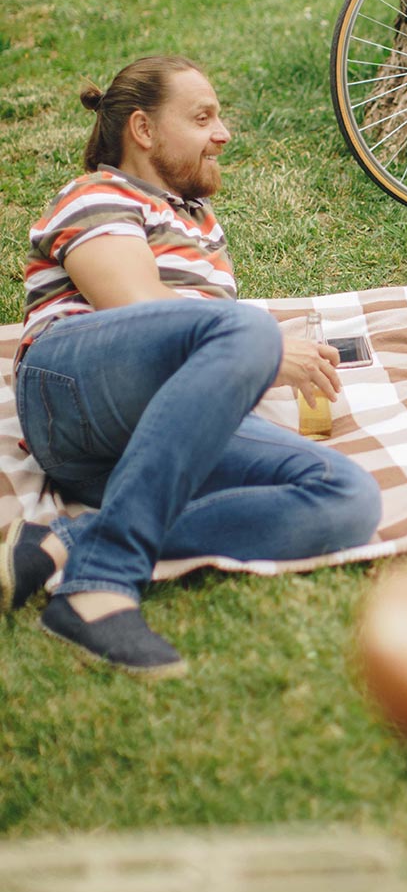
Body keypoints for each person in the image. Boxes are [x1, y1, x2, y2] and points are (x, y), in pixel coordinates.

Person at [0, 55, 381, 678]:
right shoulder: (97, 194)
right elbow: (137, 308)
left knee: (349, 497)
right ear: (144, 130)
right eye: (203, 118)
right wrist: (259, 347)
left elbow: (203, 341)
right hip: (73, 395)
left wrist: (254, 354)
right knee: (250, 327)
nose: (223, 133)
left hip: (153, 443)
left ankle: (69, 542)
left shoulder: (200, 225)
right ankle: (101, 582)